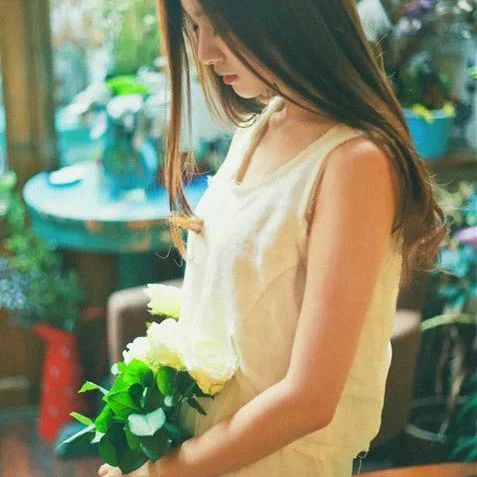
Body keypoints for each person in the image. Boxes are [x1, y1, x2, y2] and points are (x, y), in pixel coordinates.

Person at [99, 0, 448, 476]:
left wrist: (159, 473)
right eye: (196, 26)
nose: (204, 53)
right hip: (208, 458)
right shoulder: (261, 125)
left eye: (219, 25)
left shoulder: (355, 163)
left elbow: (309, 400)